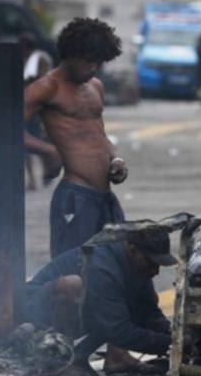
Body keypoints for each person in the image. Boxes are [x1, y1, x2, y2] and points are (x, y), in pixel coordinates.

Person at [24, 17, 127, 258]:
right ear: (71, 54)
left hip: (106, 198)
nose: (93, 68)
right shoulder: (47, 87)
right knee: (71, 271)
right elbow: (5, 128)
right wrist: (47, 150)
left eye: (98, 63)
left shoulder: (96, 87)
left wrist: (116, 160)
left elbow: (100, 136)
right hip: (76, 197)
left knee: (117, 268)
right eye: (89, 61)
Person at [20, 229, 175, 372]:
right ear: (131, 248)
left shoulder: (135, 266)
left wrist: (177, 337)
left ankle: (88, 360)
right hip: (35, 313)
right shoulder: (103, 267)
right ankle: (61, 364)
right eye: (151, 261)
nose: (156, 270)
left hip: (86, 310)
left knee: (124, 305)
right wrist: (171, 346)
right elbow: (119, 332)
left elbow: (150, 314)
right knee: (73, 285)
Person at [22, 34, 54, 191]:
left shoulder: (39, 59)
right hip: (27, 106)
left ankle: (45, 173)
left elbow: (42, 80)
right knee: (27, 143)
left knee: (40, 141)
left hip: (39, 106)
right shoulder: (22, 60)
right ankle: (33, 178)